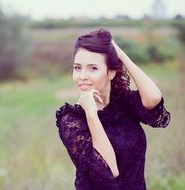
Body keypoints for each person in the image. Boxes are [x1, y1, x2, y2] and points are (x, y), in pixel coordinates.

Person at [55, 29, 171, 190]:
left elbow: (153, 98)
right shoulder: (71, 120)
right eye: (77, 67)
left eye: (93, 68)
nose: (82, 76)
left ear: (111, 72)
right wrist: (91, 114)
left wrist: (121, 55)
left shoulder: (124, 103)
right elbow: (109, 171)